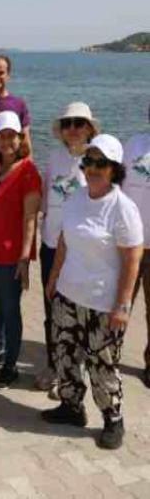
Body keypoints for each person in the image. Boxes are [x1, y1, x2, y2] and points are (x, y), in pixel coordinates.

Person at [44, 134, 143, 450]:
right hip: (68, 296)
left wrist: (123, 305)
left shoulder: (123, 208)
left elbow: (132, 257)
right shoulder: (75, 198)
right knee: (66, 357)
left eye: (101, 163)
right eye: (89, 162)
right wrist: (53, 278)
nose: (93, 168)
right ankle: (71, 408)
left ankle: (113, 419)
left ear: (114, 168)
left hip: (103, 304)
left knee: (103, 367)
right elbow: (63, 240)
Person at [0, 111, 41, 388]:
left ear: (20, 138)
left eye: (11, 136)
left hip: (11, 254)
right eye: (2, 136)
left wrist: (24, 258)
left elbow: (30, 219)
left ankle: (11, 365)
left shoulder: (28, 171)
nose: (6, 141)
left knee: (11, 308)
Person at [36, 102, 96, 394]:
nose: (72, 129)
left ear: (89, 128)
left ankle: (76, 368)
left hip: (79, 253)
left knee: (78, 314)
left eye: (79, 123)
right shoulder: (54, 158)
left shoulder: (97, 161)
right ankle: (54, 364)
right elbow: (46, 200)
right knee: (52, 310)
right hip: (49, 245)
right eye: (67, 123)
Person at [123, 102, 150, 387]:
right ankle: (110, 353)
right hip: (129, 243)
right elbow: (116, 185)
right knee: (120, 303)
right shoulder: (133, 145)